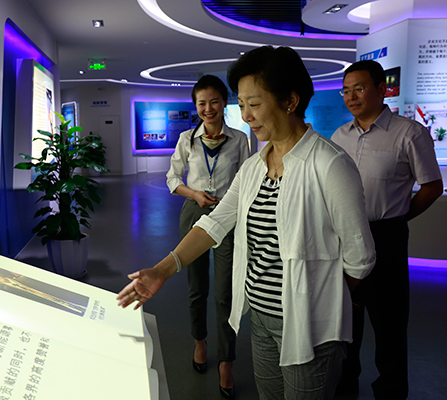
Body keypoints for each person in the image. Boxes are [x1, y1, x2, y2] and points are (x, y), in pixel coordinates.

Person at [118, 45, 376, 400]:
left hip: (309, 326)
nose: (246, 115)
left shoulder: (329, 165)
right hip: (259, 318)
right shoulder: (255, 167)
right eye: (241, 105)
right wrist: (161, 271)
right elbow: (215, 222)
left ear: (290, 101)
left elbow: (360, 257)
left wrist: (320, 300)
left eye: (254, 104)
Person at [331, 60, 443, 399]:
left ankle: (391, 392)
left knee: (390, 327)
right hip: (343, 239)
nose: (351, 97)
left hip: (386, 238)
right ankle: (344, 388)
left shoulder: (409, 133)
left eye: (359, 88)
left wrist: (399, 218)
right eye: (346, 90)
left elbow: (432, 186)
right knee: (344, 325)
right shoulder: (339, 136)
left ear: (382, 90)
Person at [165, 74, 250, 398]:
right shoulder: (187, 138)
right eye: (202, 103)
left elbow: (247, 179)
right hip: (194, 211)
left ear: (225, 102)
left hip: (228, 215)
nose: (208, 108)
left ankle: (226, 359)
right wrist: (194, 194)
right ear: (196, 106)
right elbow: (172, 178)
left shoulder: (240, 139)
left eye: (214, 101)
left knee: (225, 291)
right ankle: (199, 341)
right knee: (197, 287)